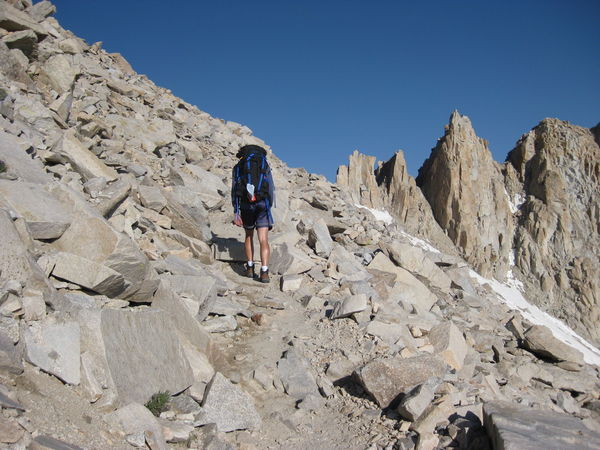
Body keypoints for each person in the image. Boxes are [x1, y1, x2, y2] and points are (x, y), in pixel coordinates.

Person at [231, 144, 275, 283]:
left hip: (246, 204)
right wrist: (268, 205)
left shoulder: (239, 166)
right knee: (263, 239)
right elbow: (271, 187)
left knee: (249, 235)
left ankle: (250, 268)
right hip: (262, 203)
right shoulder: (264, 164)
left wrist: (236, 211)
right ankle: (264, 271)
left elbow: (234, 188)